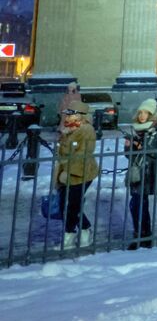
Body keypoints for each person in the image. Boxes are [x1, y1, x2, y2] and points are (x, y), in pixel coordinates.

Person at [53, 101, 98, 250]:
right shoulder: (69, 129)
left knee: (72, 206)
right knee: (67, 205)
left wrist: (68, 168)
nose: (68, 116)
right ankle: (84, 230)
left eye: (71, 113)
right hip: (67, 172)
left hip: (80, 173)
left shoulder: (86, 129)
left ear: (79, 115)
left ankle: (70, 236)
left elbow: (83, 153)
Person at [124, 98, 157, 250]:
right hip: (137, 173)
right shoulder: (138, 130)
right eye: (140, 112)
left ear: (153, 115)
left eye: (146, 113)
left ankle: (144, 237)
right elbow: (129, 155)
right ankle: (141, 235)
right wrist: (130, 147)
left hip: (148, 173)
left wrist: (142, 146)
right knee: (135, 205)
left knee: (139, 204)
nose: (142, 116)